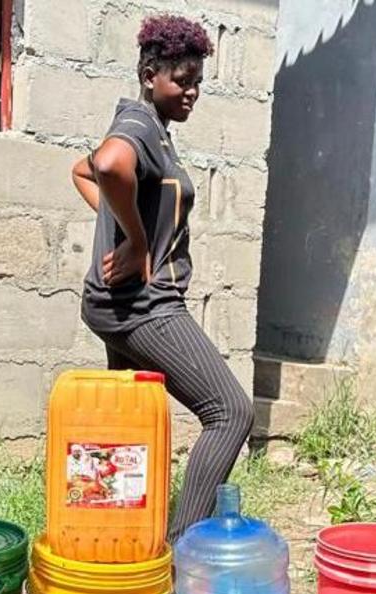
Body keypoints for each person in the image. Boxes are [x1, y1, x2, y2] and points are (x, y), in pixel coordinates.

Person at [71, 15, 254, 541]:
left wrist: (121, 226)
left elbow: (80, 172)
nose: (192, 91)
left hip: (120, 304)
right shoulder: (140, 126)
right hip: (143, 307)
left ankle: (118, 534)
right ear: (150, 73)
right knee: (230, 411)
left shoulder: (153, 130)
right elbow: (106, 167)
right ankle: (181, 558)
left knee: (129, 423)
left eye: (198, 81)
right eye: (182, 79)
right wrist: (134, 238)